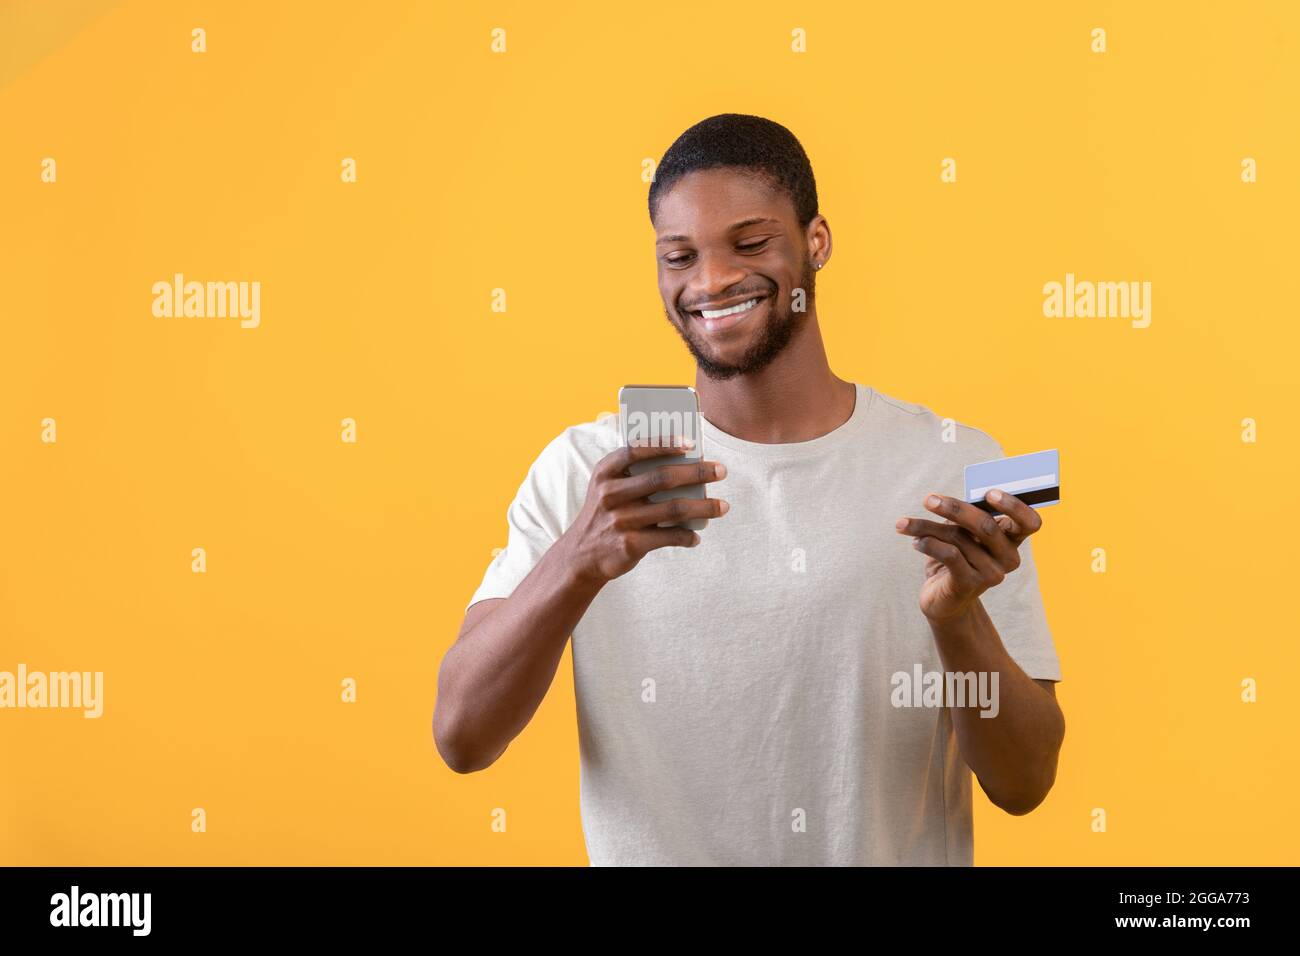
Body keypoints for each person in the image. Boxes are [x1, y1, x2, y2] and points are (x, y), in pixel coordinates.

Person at [435, 113, 1065, 866]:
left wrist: (958, 622)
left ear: (817, 241)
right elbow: (462, 737)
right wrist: (576, 562)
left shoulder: (951, 467)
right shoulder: (589, 472)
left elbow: (1024, 782)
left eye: (750, 243)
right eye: (679, 256)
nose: (711, 281)